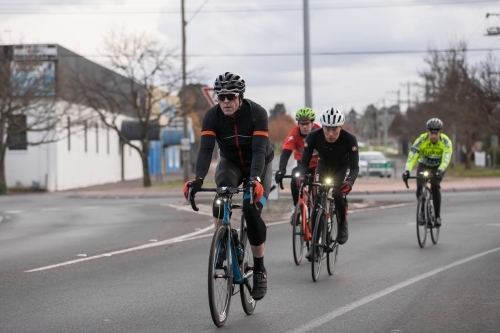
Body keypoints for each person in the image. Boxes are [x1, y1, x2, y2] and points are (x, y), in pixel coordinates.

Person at [183, 72, 273, 301]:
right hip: (231, 162)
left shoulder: (257, 113)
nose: (225, 102)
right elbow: (205, 150)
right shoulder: (212, 116)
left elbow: (259, 151)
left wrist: (255, 180)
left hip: (258, 163)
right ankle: (221, 239)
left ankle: (260, 269)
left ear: (240, 97)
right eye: (220, 97)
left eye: (230, 97)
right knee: (221, 193)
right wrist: (198, 179)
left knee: (251, 209)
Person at [298, 107, 359, 261]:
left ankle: (342, 223)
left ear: (341, 127)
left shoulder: (350, 139)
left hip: (341, 168)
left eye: (334, 129)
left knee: (338, 193)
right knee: (317, 201)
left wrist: (350, 181)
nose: (330, 133)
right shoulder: (313, 136)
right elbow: (304, 162)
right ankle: (314, 247)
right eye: (327, 129)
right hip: (324, 166)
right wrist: (303, 175)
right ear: (322, 127)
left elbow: (355, 167)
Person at [402, 118, 453, 228]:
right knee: (420, 188)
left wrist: (440, 170)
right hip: (424, 165)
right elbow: (412, 156)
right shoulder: (421, 140)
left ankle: (437, 216)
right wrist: (407, 170)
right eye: (431, 132)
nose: (433, 135)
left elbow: (446, 159)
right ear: (427, 132)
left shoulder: (446, 142)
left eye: (436, 133)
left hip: (437, 167)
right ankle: (422, 211)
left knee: (434, 186)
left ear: (441, 132)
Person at [274, 107, 321, 223]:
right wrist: (281, 170)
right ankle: (297, 208)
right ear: (298, 124)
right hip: (302, 165)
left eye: (307, 124)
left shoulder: (320, 133)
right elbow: (285, 154)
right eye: (302, 124)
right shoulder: (294, 134)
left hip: (318, 165)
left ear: (312, 123)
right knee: (295, 177)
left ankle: (320, 212)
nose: (304, 127)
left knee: (317, 189)